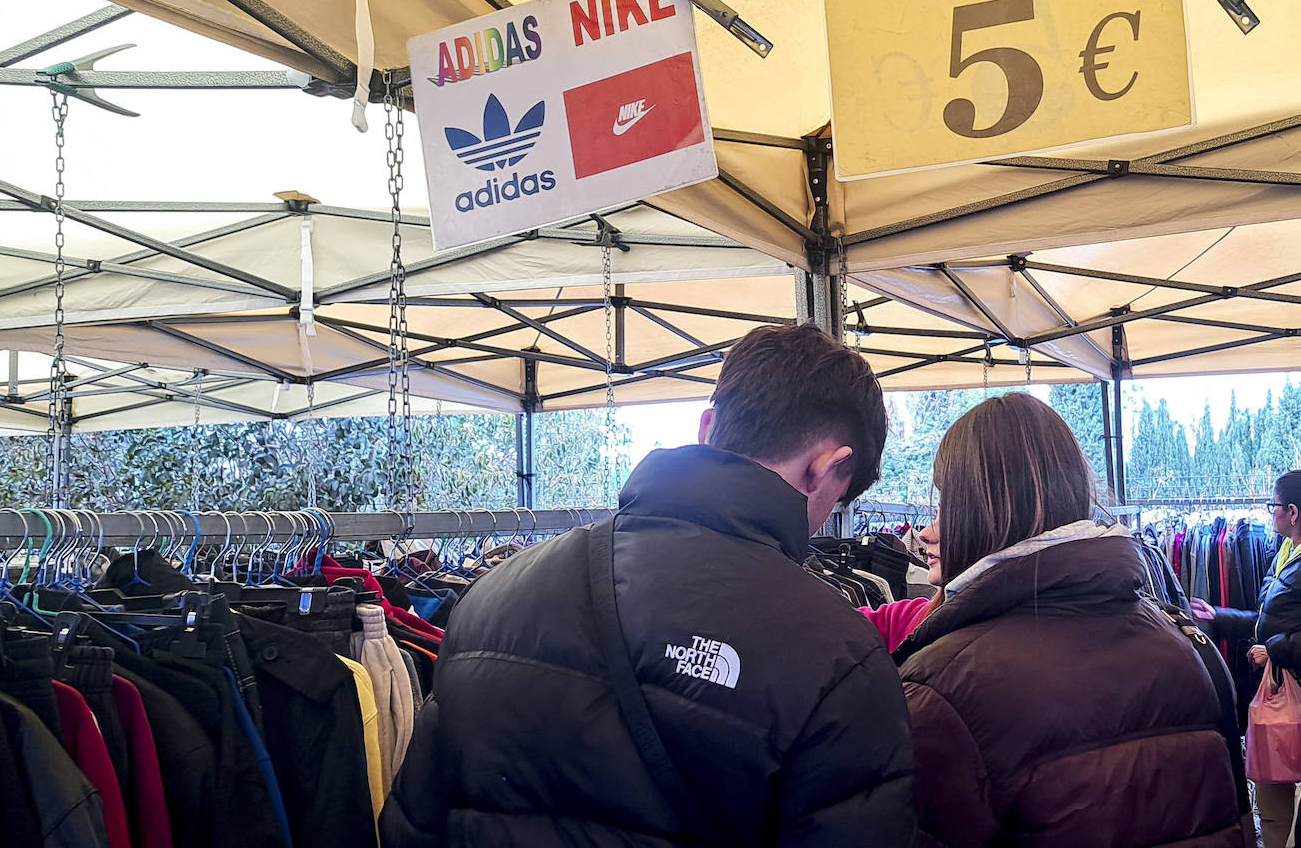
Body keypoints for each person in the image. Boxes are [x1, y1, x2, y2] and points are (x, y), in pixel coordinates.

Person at [381, 323, 916, 846]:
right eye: (838, 501)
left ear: (707, 429)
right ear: (828, 466)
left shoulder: (489, 598)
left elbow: (413, 824)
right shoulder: (840, 658)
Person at [895, 392, 1248, 847]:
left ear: (986, 510)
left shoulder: (943, 687)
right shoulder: (1185, 644)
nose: (925, 530)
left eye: (944, 507)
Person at [1192, 470, 1301, 848]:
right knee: (1272, 787)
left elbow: (1279, 634)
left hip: (1295, 688)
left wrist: (1275, 649)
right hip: (1277, 690)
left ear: (1291, 511)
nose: (1269, 514)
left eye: (1272, 506)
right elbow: (1263, 621)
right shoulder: (1284, 554)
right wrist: (1217, 616)